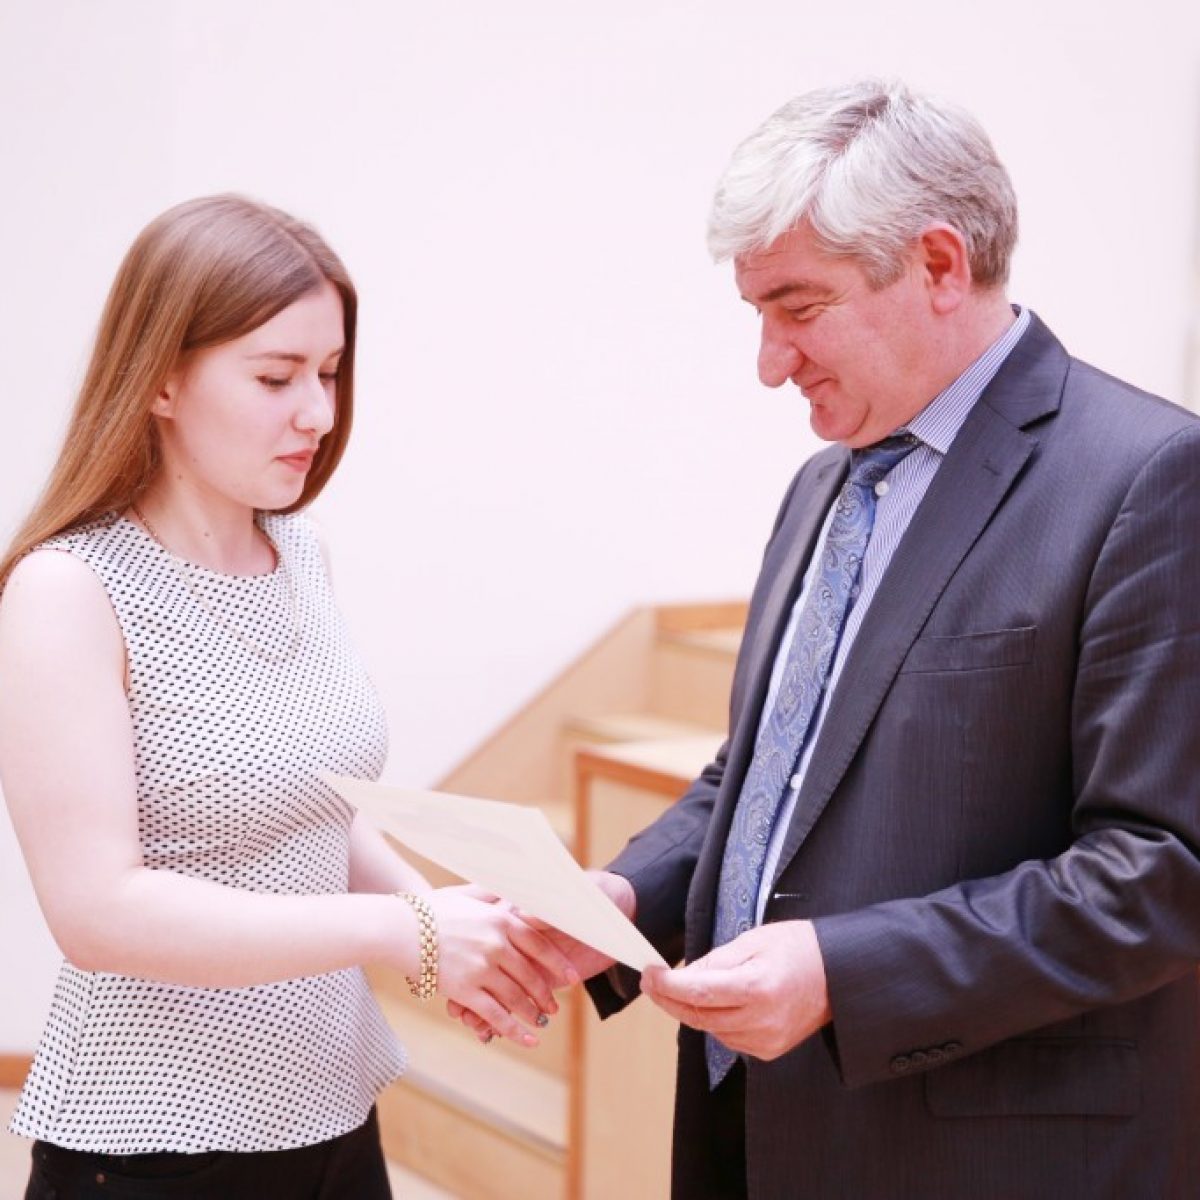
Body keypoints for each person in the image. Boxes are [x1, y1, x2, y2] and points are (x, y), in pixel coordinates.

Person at [536, 81, 1200, 1198]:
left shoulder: (1151, 479)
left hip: (979, 1154)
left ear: (938, 264)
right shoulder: (822, 487)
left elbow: (1164, 871)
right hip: (757, 1121)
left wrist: (846, 973)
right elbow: (763, 774)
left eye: (798, 307)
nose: (769, 361)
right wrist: (631, 896)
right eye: (758, 314)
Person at [0, 195, 574, 1199]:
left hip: (333, 1112)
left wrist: (446, 931)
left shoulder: (301, 556)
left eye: (330, 372)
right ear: (162, 378)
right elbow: (98, 910)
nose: (318, 412)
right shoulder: (70, 590)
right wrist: (405, 932)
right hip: (155, 1145)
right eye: (276, 377)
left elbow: (317, 811)